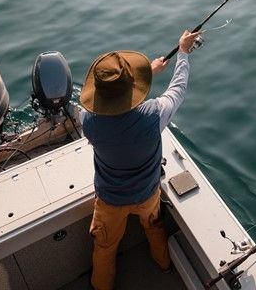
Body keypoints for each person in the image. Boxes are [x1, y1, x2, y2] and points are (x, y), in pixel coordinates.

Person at [78, 30, 200, 290]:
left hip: (109, 200)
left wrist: (145, 76)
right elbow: (178, 89)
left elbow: (109, 107)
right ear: (132, 88)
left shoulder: (88, 122)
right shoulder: (154, 116)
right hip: (147, 194)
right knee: (155, 228)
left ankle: (101, 286)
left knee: (105, 246)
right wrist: (183, 53)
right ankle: (165, 264)